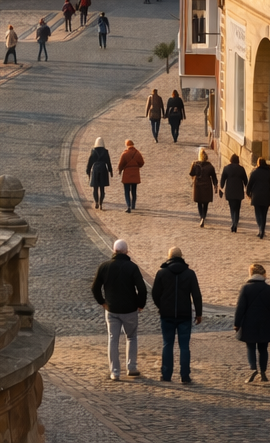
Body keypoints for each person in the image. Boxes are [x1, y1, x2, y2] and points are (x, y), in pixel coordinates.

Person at [92, 239, 149, 380]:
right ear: (126, 252)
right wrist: (140, 304)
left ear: (114, 251)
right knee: (131, 337)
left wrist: (102, 302)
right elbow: (142, 289)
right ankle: (132, 367)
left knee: (113, 339)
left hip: (111, 309)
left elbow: (95, 287)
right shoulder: (132, 267)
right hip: (130, 309)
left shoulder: (104, 266)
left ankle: (115, 372)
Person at [152, 246, 203, 383]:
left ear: (169, 257)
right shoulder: (190, 273)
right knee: (184, 346)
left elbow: (155, 293)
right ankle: (185, 376)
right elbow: (196, 295)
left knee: (167, 344)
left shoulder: (161, 273)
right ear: (181, 257)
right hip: (184, 314)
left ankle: (166, 375)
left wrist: (161, 306)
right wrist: (198, 313)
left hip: (167, 314)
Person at [234, 262, 270, 384]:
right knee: (263, 349)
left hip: (249, 323)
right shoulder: (269, 289)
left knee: (250, 347)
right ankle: (263, 373)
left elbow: (240, 308)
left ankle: (253, 368)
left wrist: (237, 323)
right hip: (266, 323)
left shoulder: (245, 288)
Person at [247, 157, 270, 239]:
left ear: (258, 163)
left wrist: (248, 194)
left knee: (258, 214)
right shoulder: (269, 173)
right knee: (264, 215)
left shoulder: (254, 173)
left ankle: (260, 229)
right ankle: (262, 230)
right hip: (266, 196)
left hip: (256, 196)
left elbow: (249, 185)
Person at [220, 153, 249, 232]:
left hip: (230, 191)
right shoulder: (241, 169)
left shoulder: (226, 168)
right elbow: (246, 181)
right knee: (237, 208)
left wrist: (221, 188)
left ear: (231, 160)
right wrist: (248, 190)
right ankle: (235, 221)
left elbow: (223, 180)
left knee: (232, 208)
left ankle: (234, 221)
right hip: (239, 191)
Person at [189, 149, 218, 228]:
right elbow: (214, 177)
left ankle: (201, 216)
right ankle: (203, 216)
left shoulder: (196, 165)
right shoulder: (210, 166)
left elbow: (191, 173)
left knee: (199, 202)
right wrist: (215, 185)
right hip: (207, 186)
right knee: (205, 203)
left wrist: (192, 165)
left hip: (198, 186)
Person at [117, 139, 144, 212]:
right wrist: (136, 166)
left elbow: (121, 164)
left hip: (127, 175)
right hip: (135, 174)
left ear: (126, 145)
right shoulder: (137, 153)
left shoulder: (124, 154)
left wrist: (120, 170)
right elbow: (142, 163)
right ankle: (133, 205)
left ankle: (128, 205)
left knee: (127, 191)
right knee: (134, 191)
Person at [85, 137, 111, 210]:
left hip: (95, 169)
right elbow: (108, 162)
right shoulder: (105, 151)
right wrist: (110, 170)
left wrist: (88, 170)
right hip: (103, 169)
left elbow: (90, 162)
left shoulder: (93, 151)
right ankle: (101, 203)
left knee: (95, 188)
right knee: (102, 188)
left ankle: (96, 201)